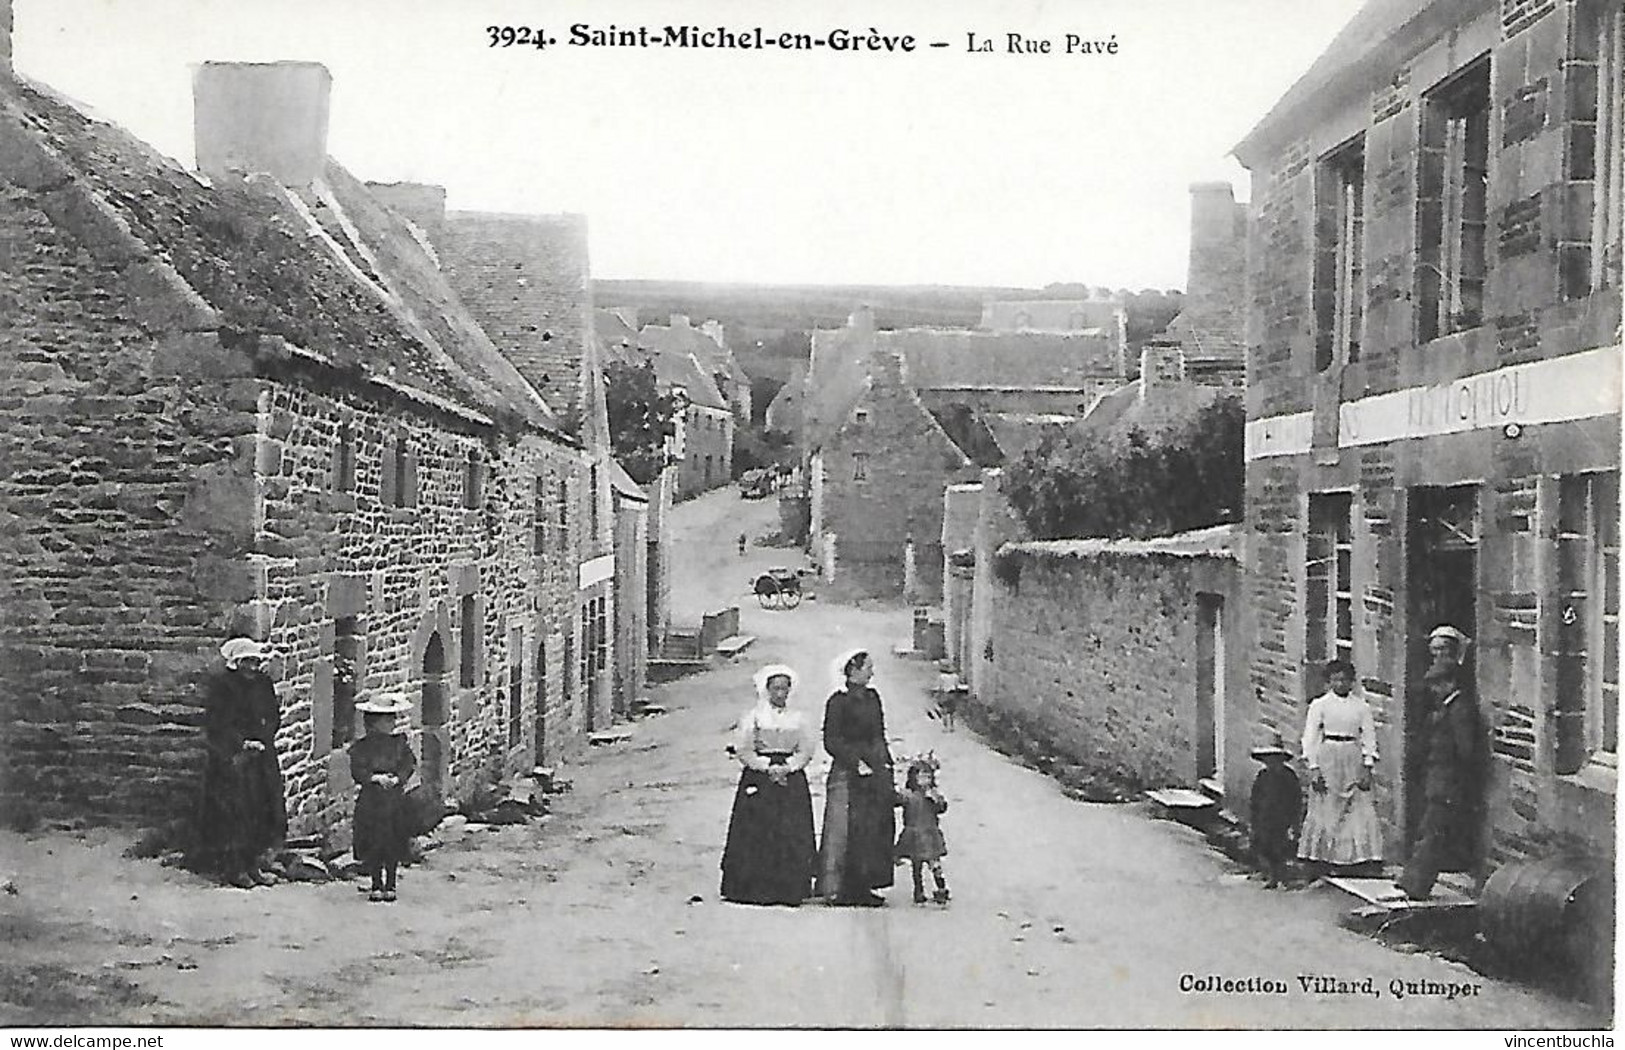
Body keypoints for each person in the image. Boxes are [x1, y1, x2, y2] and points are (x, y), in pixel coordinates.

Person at [1399, 626, 1486, 900]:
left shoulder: (1459, 710)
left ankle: (1417, 885)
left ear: (1449, 683)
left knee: (1434, 832)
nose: (1434, 690)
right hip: (1438, 781)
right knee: (1431, 829)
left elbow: (1466, 750)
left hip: (1448, 783)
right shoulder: (1446, 708)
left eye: (1438, 685)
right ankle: (1413, 880)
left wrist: (1458, 782)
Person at [719, 664, 817, 906]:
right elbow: (744, 748)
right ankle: (753, 887)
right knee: (757, 829)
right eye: (776, 689)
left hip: (790, 776)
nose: (780, 694)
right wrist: (766, 767)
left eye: (785, 689)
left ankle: (789, 887)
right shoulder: (754, 717)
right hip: (760, 776)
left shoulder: (798, 718)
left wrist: (790, 766)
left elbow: (806, 748)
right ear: (766, 690)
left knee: (789, 829)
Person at [194, 637, 287, 889]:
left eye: (255, 662)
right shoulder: (223, 687)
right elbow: (218, 722)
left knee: (262, 809)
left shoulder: (263, 684)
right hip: (232, 758)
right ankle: (235, 868)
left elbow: (272, 715)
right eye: (246, 662)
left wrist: (264, 739)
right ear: (236, 662)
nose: (252, 667)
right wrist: (241, 743)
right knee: (237, 813)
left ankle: (254, 865)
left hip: (262, 756)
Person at [816, 650, 896, 906]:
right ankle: (843, 888)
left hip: (874, 769)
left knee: (874, 827)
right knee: (849, 828)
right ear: (853, 669)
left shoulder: (873, 697)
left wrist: (886, 762)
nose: (872, 672)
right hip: (848, 773)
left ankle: (865, 885)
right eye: (867, 667)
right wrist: (856, 762)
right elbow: (832, 740)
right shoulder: (837, 702)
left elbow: (879, 733)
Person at [1298, 659, 1383, 874]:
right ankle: (1324, 858)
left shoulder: (1361, 707)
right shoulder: (1319, 705)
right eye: (1336, 680)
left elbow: (1369, 737)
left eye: (1345, 680)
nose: (1341, 684)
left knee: (1358, 804)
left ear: (1352, 682)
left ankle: (1359, 858)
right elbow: (1310, 738)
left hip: (1352, 754)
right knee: (1328, 804)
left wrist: (1367, 765)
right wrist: (1314, 767)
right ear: (1328, 682)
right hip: (1328, 755)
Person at [349, 692, 417, 903]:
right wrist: (375, 778)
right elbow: (357, 770)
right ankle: (376, 883)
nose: (391, 723)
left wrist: (398, 778)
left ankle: (391, 884)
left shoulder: (398, 744)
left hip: (393, 801)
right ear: (373, 722)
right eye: (386, 719)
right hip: (372, 800)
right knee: (374, 842)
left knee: (392, 842)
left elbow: (408, 765)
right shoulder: (362, 747)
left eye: (392, 719)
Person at [1248, 731, 1302, 888]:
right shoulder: (1262, 776)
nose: (1271, 763)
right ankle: (1272, 875)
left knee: (1281, 848)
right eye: (1268, 759)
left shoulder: (1288, 776)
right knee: (1265, 847)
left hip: (1282, 818)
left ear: (1281, 759)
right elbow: (1255, 799)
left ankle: (1283, 877)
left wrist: (1294, 822)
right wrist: (1255, 820)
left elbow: (1296, 798)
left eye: (1275, 759)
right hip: (1265, 819)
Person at [894, 756, 950, 904]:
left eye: (928, 777)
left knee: (934, 863)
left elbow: (942, 808)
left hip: (929, 833)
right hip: (914, 833)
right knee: (916, 865)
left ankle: (941, 888)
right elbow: (897, 801)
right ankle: (918, 890)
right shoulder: (909, 795)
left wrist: (936, 800)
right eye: (921, 777)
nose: (924, 781)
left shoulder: (933, 795)